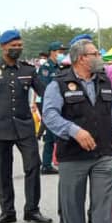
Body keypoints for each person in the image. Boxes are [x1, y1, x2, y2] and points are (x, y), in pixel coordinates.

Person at [43, 38, 112, 223]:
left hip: (103, 154)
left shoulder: (104, 81)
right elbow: (49, 115)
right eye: (95, 54)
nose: (99, 57)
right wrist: (74, 131)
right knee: (73, 207)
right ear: (82, 58)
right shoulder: (58, 84)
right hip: (73, 156)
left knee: (102, 207)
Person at [0, 29, 52, 223]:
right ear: (3, 47)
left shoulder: (28, 70)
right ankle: (7, 212)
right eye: (13, 46)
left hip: (25, 127)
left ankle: (32, 210)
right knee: (4, 171)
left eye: (20, 45)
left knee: (33, 167)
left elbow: (46, 92)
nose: (17, 49)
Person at [37, 41, 65, 175]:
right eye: (60, 52)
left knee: (50, 136)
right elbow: (43, 89)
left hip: (60, 105)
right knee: (54, 135)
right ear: (52, 52)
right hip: (50, 106)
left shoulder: (59, 67)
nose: (62, 54)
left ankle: (46, 164)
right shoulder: (45, 68)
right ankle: (50, 163)